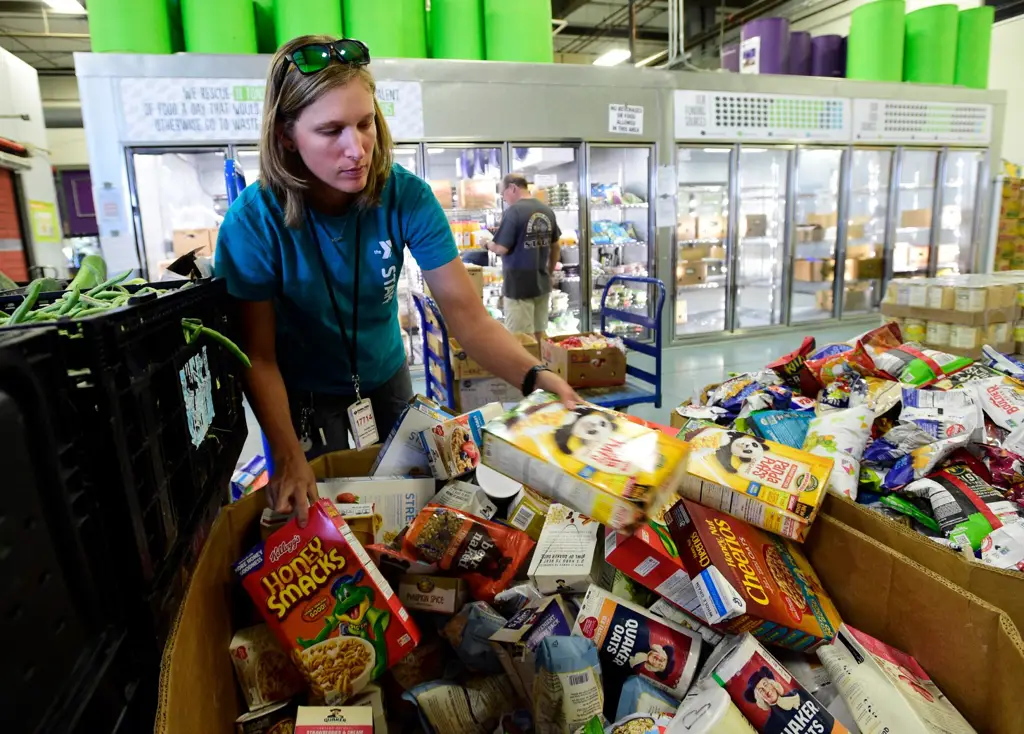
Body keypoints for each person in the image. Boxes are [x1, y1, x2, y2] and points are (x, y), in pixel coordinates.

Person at [215, 36, 579, 526]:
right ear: (286, 136)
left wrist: (536, 377)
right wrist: (286, 453)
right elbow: (257, 358)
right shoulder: (252, 223)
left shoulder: (405, 196)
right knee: (317, 528)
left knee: (406, 518)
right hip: (298, 401)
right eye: (331, 130)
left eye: (365, 123)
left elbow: (468, 319)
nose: (357, 148)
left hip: (386, 382)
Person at [486, 173, 561, 344]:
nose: (504, 199)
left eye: (502, 193)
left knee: (520, 338)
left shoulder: (514, 212)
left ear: (512, 188)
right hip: (541, 283)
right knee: (540, 333)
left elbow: (501, 248)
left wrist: (486, 243)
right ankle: (543, 367)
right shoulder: (546, 210)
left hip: (519, 285)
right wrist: (548, 273)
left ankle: (528, 371)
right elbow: (556, 246)